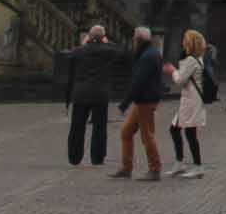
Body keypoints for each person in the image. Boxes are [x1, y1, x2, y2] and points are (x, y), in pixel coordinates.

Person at [112, 26, 167, 180]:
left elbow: (139, 82)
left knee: (147, 135)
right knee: (126, 132)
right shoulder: (149, 53)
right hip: (143, 100)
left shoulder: (148, 56)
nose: (133, 41)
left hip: (145, 100)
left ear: (138, 39)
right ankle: (126, 167)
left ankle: (155, 169)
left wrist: (125, 102)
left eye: (134, 39)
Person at [65, 23, 114, 167]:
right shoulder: (108, 51)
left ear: (89, 37)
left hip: (81, 94)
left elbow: (71, 57)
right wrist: (106, 42)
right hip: (100, 94)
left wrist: (85, 43)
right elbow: (118, 51)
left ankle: (74, 156)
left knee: (77, 126)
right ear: (103, 37)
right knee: (100, 127)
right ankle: (97, 157)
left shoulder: (79, 51)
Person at [164, 29, 209, 178]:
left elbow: (179, 80)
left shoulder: (191, 60)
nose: (182, 41)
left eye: (184, 39)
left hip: (192, 101)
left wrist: (172, 71)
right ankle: (180, 162)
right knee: (175, 129)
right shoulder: (194, 58)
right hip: (190, 99)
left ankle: (198, 165)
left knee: (190, 132)